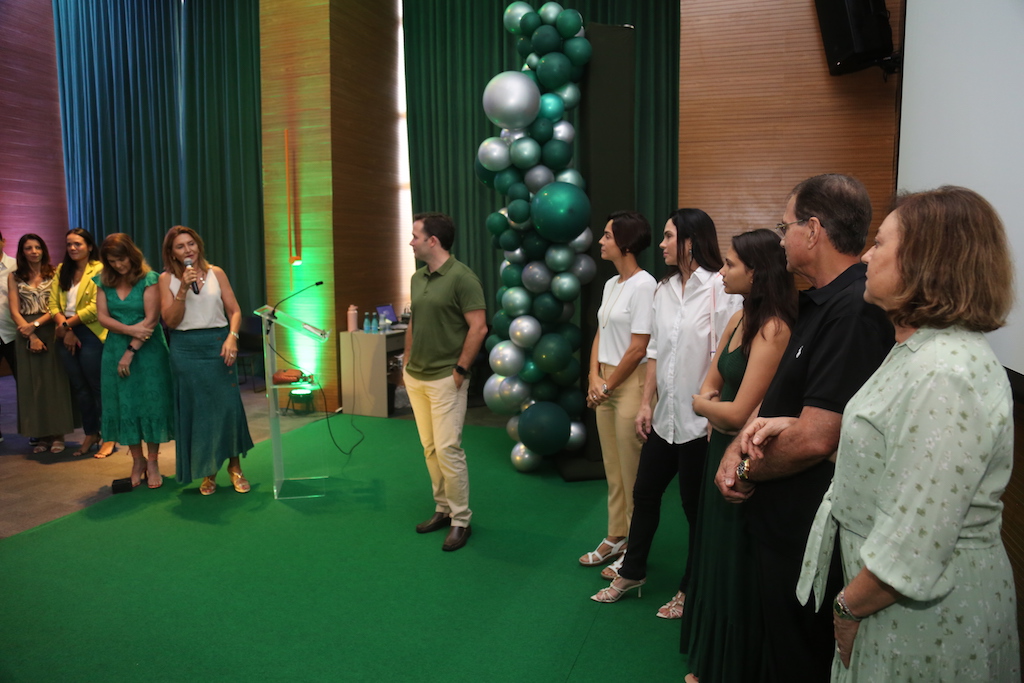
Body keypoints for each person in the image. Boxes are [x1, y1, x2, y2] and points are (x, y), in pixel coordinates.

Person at [793, 187, 1019, 681]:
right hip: (893, 602)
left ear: (926, 261)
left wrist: (848, 607)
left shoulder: (945, 373)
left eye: (880, 243)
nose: (866, 256)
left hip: (921, 618)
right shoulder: (916, 349)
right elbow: (890, 450)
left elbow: (915, 544)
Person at [714, 174, 894, 681]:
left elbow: (817, 437)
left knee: (799, 659)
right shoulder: (818, 301)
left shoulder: (854, 310)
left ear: (812, 231)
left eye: (785, 226)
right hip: (784, 524)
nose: (780, 239)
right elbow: (779, 398)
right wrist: (735, 450)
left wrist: (743, 469)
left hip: (807, 532)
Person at [591, 209, 742, 613]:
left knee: (694, 509)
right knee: (645, 493)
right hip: (665, 418)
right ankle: (633, 571)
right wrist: (646, 402)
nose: (661, 244)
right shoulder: (664, 289)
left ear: (690, 241)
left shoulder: (722, 290)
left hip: (700, 423)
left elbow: (728, 356)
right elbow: (654, 350)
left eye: (669, 236)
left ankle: (691, 587)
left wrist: (716, 411)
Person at [679, 229, 796, 682]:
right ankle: (710, 664)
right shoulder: (737, 318)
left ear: (757, 272)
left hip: (745, 456)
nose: (722, 271)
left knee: (735, 564)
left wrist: (706, 407)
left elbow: (737, 412)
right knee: (713, 555)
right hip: (718, 450)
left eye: (730, 264)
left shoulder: (774, 328)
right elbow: (710, 387)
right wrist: (711, 406)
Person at [403, 212, 487, 552]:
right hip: (417, 376)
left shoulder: (463, 278)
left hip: (446, 379)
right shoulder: (417, 278)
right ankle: (442, 508)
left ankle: (461, 520)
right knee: (430, 448)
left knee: (448, 449)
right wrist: (406, 361)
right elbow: (415, 322)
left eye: (415, 236)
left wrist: (460, 370)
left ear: (433, 241)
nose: (411, 242)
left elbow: (479, 327)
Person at [580, 211, 656, 568]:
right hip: (607, 383)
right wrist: (593, 377)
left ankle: (633, 551)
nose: (601, 241)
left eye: (608, 235)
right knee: (613, 469)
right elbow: (601, 332)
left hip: (630, 383)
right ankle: (615, 535)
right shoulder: (612, 284)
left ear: (625, 243)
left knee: (632, 474)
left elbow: (639, 348)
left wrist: (607, 384)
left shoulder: (645, 285)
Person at [159, 225, 253, 495]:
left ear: (198, 245)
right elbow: (171, 321)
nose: (187, 249)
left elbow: (235, 310)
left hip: (218, 345)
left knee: (227, 407)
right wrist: (182, 289)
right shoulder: (166, 279)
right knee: (199, 412)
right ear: (172, 253)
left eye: (191, 243)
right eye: (180, 246)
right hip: (185, 350)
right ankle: (208, 471)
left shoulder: (216, 273)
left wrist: (232, 337)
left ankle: (235, 467)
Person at [95, 234, 174, 488]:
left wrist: (130, 351)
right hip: (115, 348)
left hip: (148, 350)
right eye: (112, 261)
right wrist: (130, 331)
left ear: (132, 255)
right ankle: (137, 460)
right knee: (125, 404)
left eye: (122, 259)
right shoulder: (103, 281)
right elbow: (102, 317)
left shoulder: (149, 279)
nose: (118, 265)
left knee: (150, 404)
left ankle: (152, 462)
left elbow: (151, 320)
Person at [6, 234, 77, 453]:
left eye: (37, 247)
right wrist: (30, 334)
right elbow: (14, 310)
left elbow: (57, 306)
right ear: (22, 251)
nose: (34, 251)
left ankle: (58, 434)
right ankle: (42, 436)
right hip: (25, 332)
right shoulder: (14, 276)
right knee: (32, 386)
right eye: (29, 248)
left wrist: (36, 325)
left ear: (43, 250)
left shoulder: (55, 273)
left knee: (55, 383)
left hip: (51, 328)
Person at [49, 229, 116, 457]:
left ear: (89, 246)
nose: (72, 248)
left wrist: (67, 326)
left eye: (77, 244)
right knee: (79, 388)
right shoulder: (62, 269)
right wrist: (65, 328)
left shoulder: (100, 269)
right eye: (69, 244)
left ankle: (109, 435)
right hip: (65, 331)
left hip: (91, 332)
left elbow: (96, 306)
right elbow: (53, 304)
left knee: (98, 387)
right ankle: (91, 433)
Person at [0, 230, 17, 443]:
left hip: (15, 333)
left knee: (25, 384)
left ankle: (35, 430)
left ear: (3, 241)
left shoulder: (16, 266)